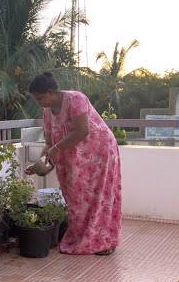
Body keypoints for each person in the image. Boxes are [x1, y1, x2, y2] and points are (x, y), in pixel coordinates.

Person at [24, 72, 122, 255]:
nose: (39, 102)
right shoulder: (47, 113)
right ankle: (83, 238)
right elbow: (48, 142)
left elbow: (82, 131)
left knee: (100, 196)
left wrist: (55, 149)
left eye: (40, 98)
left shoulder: (76, 99)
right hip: (76, 159)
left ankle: (105, 241)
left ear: (51, 92)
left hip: (100, 152)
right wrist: (38, 164)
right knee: (76, 197)